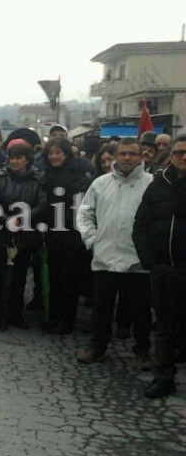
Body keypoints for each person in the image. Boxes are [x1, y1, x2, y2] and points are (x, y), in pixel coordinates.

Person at [76, 138, 153, 369]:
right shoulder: (100, 183)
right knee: (102, 309)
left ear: (141, 157)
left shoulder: (152, 183)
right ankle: (97, 348)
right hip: (105, 256)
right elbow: (85, 214)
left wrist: (150, 250)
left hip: (138, 260)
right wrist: (92, 240)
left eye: (132, 153)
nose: (127, 158)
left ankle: (143, 351)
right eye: (122, 154)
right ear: (115, 156)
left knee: (141, 310)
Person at [133, 135, 186, 398]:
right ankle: (164, 377)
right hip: (165, 269)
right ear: (171, 156)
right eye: (179, 152)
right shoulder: (157, 187)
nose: (183, 157)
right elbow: (140, 227)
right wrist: (151, 263)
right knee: (164, 327)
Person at [0, 139, 47, 330]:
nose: (14, 162)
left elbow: (43, 204)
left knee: (20, 276)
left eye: (19, 158)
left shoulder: (38, 179)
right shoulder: (0, 178)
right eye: (11, 158)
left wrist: (24, 218)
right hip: (2, 232)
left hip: (25, 233)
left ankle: (16, 313)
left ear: (27, 159)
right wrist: (5, 219)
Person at [41, 137, 92, 334]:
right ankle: (54, 316)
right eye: (51, 153)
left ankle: (67, 320)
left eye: (58, 152)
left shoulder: (76, 173)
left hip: (71, 234)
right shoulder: (48, 173)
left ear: (66, 154)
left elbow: (79, 204)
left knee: (69, 281)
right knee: (54, 279)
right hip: (53, 233)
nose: (54, 156)